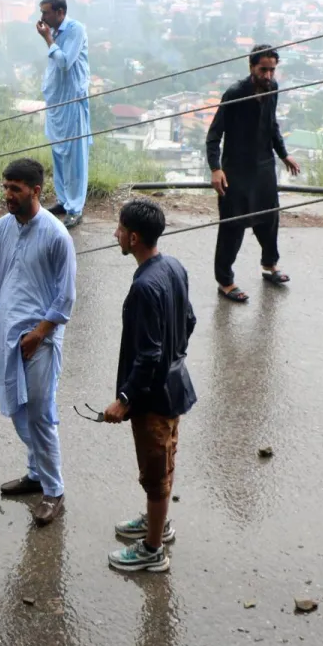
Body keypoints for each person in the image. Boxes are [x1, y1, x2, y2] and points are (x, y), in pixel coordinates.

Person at [0, 158, 75, 526]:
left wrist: (39, 334)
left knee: (40, 414)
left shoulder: (57, 235)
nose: (8, 195)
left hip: (40, 341)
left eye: (16, 189)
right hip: (5, 337)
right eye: (6, 187)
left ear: (35, 191)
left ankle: (53, 491)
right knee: (16, 409)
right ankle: (36, 473)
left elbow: (66, 297)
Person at [100, 198, 196, 574]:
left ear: (134, 237)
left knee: (156, 473)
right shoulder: (174, 266)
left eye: (120, 229)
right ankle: (157, 521)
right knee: (165, 463)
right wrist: (177, 357)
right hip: (175, 387)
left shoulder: (143, 286)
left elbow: (148, 354)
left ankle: (153, 549)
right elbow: (188, 320)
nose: (116, 234)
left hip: (153, 399)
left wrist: (124, 399)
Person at [206, 43, 302, 302]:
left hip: (263, 167)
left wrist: (283, 154)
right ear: (251, 67)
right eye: (263, 70)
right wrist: (216, 169)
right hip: (235, 170)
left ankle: (269, 265)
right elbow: (214, 134)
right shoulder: (236, 93)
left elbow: (272, 125)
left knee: (269, 218)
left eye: (272, 70)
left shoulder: (273, 89)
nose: (268, 75)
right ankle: (225, 281)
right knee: (233, 226)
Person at [37, 0, 91, 229]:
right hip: (56, 101)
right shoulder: (55, 32)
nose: (43, 17)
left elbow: (65, 62)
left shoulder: (75, 29)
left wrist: (48, 40)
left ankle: (76, 208)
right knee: (58, 153)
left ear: (60, 12)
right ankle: (63, 200)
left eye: (46, 12)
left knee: (75, 155)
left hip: (72, 100)